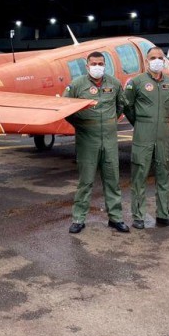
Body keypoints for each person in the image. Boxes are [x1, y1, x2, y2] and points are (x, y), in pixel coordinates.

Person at [64, 52, 129, 234]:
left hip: (109, 139)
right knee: (85, 181)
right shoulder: (77, 85)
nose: (97, 66)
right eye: (94, 63)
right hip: (87, 140)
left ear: (105, 64)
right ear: (87, 66)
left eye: (100, 63)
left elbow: (120, 106)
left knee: (112, 180)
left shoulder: (114, 84)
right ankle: (78, 218)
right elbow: (66, 108)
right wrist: (82, 124)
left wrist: (108, 123)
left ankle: (115, 218)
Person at [124, 47, 169, 229]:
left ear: (164, 61)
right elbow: (128, 106)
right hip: (143, 133)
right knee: (140, 175)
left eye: (160, 58)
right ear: (146, 61)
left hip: (164, 133)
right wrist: (141, 123)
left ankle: (164, 214)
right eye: (152, 58)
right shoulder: (137, 82)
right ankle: (138, 216)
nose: (157, 61)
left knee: (164, 174)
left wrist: (161, 120)